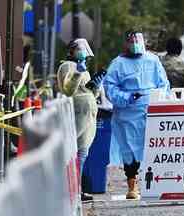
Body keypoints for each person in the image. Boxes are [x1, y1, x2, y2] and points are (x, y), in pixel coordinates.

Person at [103, 30, 169, 200]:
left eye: (137, 40)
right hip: (127, 114)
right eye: (131, 41)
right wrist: (126, 97)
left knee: (153, 148)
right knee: (129, 151)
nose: (135, 43)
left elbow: (163, 84)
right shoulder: (118, 64)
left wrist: (159, 99)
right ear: (126, 43)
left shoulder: (153, 60)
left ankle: (154, 182)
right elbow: (110, 87)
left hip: (151, 112)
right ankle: (132, 185)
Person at [57, 38, 103, 201]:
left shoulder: (84, 69)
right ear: (71, 51)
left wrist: (96, 85)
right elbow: (68, 89)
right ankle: (67, 189)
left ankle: (77, 190)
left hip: (88, 116)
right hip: (75, 114)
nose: (82, 52)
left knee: (82, 154)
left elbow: (91, 93)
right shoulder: (66, 67)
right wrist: (77, 72)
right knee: (71, 152)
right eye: (79, 49)